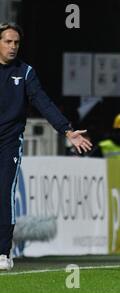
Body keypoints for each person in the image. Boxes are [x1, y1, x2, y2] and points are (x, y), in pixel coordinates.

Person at [0, 22, 92, 271]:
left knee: (4, 194)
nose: (13, 47)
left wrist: (67, 130)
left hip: (9, 143)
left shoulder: (26, 72)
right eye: (8, 41)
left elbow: (43, 102)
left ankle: (2, 253)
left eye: (16, 42)